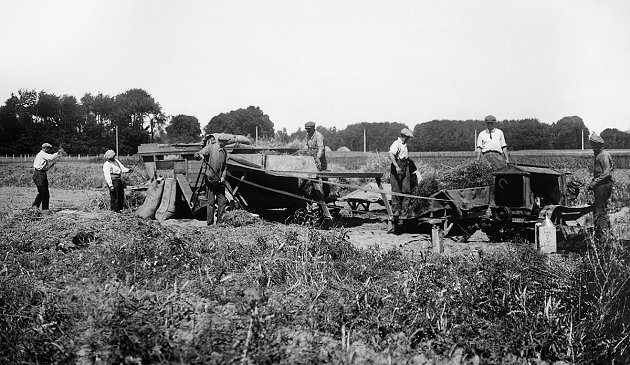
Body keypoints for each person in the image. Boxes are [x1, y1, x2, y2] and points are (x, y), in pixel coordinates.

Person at [303, 121, 332, 227]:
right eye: (306, 129)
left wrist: (318, 158)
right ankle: (313, 196)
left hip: (319, 161)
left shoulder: (319, 136)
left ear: (313, 128)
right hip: (311, 160)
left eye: (309, 129)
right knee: (311, 179)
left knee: (322, 179)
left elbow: (321, 149)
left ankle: (325, 196)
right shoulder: (308, 135)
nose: (307, 131)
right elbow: (307, 146)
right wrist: (304, 152)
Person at [195, 134, 228, 225]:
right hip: (210, 180)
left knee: (222, 201)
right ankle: (210, 223)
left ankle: (219, 222)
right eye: (225, 143)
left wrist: (223, 177)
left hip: (219, 181)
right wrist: (199, 155)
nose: (226, 145)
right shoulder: (210, 148)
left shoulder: (224, 152)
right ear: (221, 141)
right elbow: (197, 155)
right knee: (211, 202)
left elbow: (225, 167)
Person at [587, 132, 614, 242]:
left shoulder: (603, 155)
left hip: (603, 185)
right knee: (601, 208)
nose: (592, 147)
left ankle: (603, 238)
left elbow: (606, 173)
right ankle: (603, 233)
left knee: (600, 210)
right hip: (601, 184)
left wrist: (594, 183)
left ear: (598, 145)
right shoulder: (600, 154)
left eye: (593, 145)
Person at [388, 128, 414, 233]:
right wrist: (396, 166)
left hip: (405, 167)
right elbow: (390, 154)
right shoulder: (396, 144)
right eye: (408, 138)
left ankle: (405, 213)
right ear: (404, 136)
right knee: (396, 191)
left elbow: (406, 158)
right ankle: (396, 217)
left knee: (406, 190)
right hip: (397, 168)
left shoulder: (404, 145)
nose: (409, 139)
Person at [32, 143, 63, 210]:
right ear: (45, 148)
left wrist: (53, 163)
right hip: (39, 175)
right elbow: (51, 157)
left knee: (43, 192)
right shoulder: (42, 154)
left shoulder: (41, 155)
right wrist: (58, 153)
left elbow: (46, 167)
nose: (50, 151)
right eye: (49, 149)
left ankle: (36, 207)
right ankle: (43, 209)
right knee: (44, 192)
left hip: (40, 174)